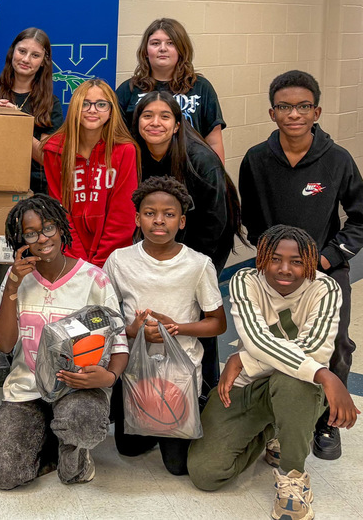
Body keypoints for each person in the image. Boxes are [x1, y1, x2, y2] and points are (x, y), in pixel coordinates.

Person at [188, 225, 359, 520]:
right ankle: (273, 428)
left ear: (309, 262)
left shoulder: (325, 288)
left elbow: (313, 351)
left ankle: (293, 478)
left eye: (296, 261)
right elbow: (256, 339)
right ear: (262, 258)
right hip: (246, 387)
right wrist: (326, 375)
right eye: (276, 259)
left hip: (296, 388)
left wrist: (244, 359)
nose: (284, 269)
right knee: (206, 474)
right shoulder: (245, 281)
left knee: (295, 379)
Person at [239, 70, 363, 461]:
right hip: (273, 270)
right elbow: (253, 221)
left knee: (336, 344)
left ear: (317, 111)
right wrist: (272, 259)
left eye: (303, 106)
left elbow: (359, 218)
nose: (294, 113)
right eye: (285, 107)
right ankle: (272, 416)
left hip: (324, 267)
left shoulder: (338, 160)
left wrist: (328, 257)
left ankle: (327, 420)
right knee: (273, 340)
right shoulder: (256, 159)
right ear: (272, 113)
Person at [0, 195, 128, 490]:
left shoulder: (93, 280)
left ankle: (76, 456)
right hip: (28, 389)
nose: (42, 238)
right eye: (31, 233)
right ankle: (48, 439)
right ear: (20, 239)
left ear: (61, 228)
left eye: (48, 228)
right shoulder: (16, 280)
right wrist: (12, 285)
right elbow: (4, 344)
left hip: (78, 387)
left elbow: (120, 344)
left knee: (80, 429)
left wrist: (109, 376)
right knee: (4, 475)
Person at [103, 176, 226, 476]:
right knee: (128, 449)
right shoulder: (119, 261)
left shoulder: (198, 265)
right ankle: (150, 427)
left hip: (178, 376)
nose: (159, 221)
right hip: (135, 373)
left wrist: (177, 329)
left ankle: (185, 421)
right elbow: (105, 317)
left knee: (177, 467)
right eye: (149, 213)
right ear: (137, 218)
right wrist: (133, 331)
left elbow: (218, 323)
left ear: (181, 222)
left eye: (169, 215)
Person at [131, 90, 243, 276]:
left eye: (165, 116)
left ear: (176, 126)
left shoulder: (201, 159)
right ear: (137, 122)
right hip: (161, 240)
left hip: (206, 242)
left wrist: (190, 264)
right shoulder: (134, 155)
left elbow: (214, 220)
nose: (155, 122)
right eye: (148, 116)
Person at [42, 78, 139, 267]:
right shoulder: (54, 150)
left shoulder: (125, 150)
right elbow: (59, 211)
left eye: (101, 104)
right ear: (74, 108)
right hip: (69, 255)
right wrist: (79, 263)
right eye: (85, 104)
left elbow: (123, 215)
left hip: (114, 258)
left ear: (111, 111)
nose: (92, 110)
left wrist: (101, 263)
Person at [116, 18, 226, 162]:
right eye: (155, 43)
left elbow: (214, 141)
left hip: (190, 173)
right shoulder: (128, 89)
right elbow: (118, 142)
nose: (163, 48)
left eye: (171, 43)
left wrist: (217, 178)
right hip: (142, 175)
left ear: (182, 50)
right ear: (145, 51)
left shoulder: (201, 87)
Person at [0, 27, 64, 195]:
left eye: (35, 55)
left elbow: (45, 157)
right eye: (22, 51)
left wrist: (16, 121)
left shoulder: (51, 104)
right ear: (12, 52)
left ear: (43, 61)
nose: (26, 59)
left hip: (34, 189)